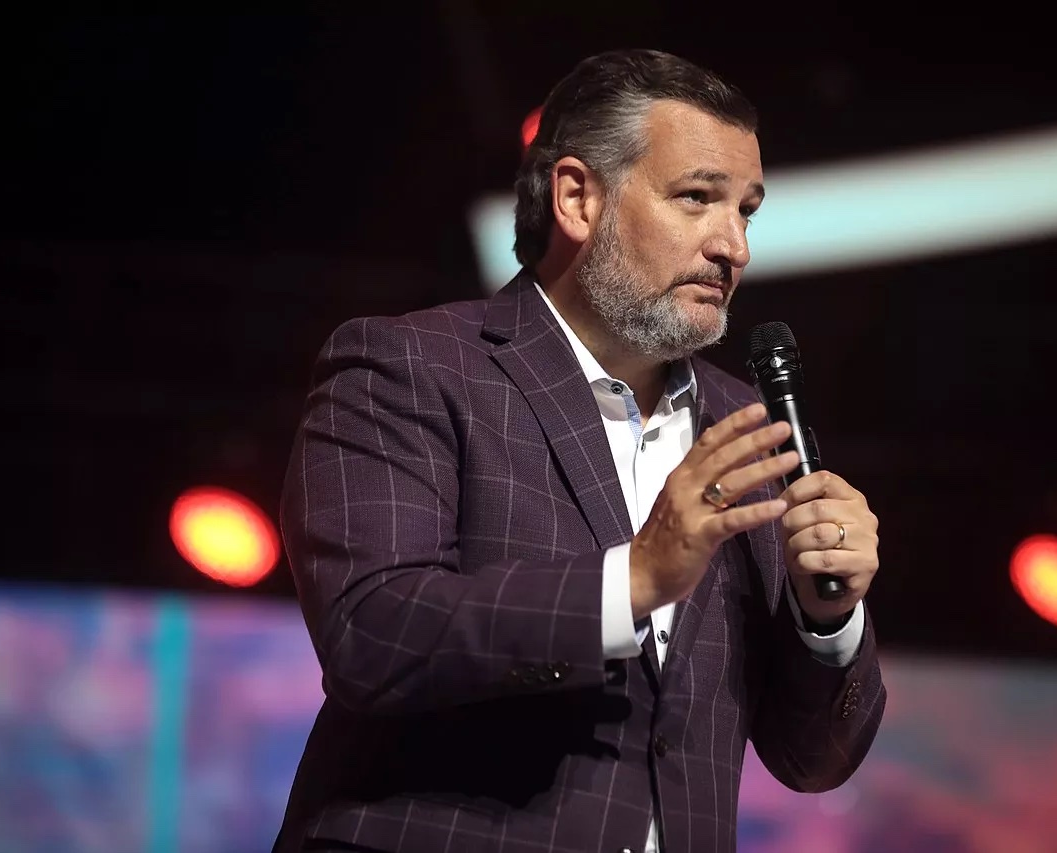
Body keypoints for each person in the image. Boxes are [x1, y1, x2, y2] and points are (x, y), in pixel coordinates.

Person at [273, 48, 885, 853]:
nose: (733, 246)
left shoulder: (747, 424)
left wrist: (827, 617)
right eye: (697, 198)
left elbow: (811, 761)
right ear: (576, 197)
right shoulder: (412, 366)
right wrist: (632, 578)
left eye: (746, 211)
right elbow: (373, 633)